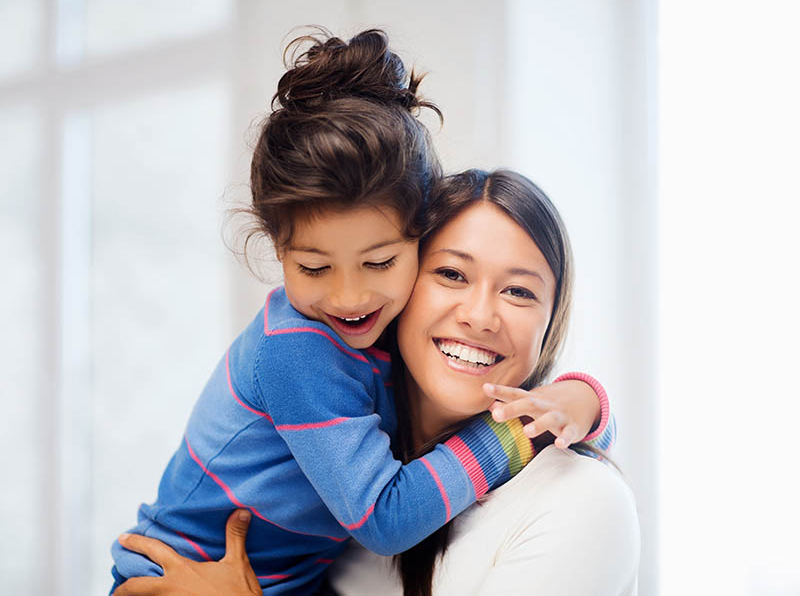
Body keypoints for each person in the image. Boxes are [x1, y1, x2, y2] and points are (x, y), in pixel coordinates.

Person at [110, 30, 614, 595]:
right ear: (278, 251)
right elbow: (387, 519)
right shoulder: (299, 349)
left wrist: (583, 401)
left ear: (416, 238)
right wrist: (522, 432)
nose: (349, 299)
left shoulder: (387, 336)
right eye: (315, 268)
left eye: (378, 262)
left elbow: (573, 429)